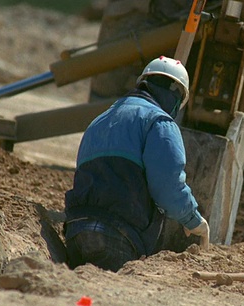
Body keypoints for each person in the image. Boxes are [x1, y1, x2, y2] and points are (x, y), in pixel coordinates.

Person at [63, 56, 210, 272]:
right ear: (176, 96)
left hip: (76, 232)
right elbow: (167, 187)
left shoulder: (100, 120)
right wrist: (194, 221)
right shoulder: (158, 122)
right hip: (117, 236)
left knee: (80, 299)